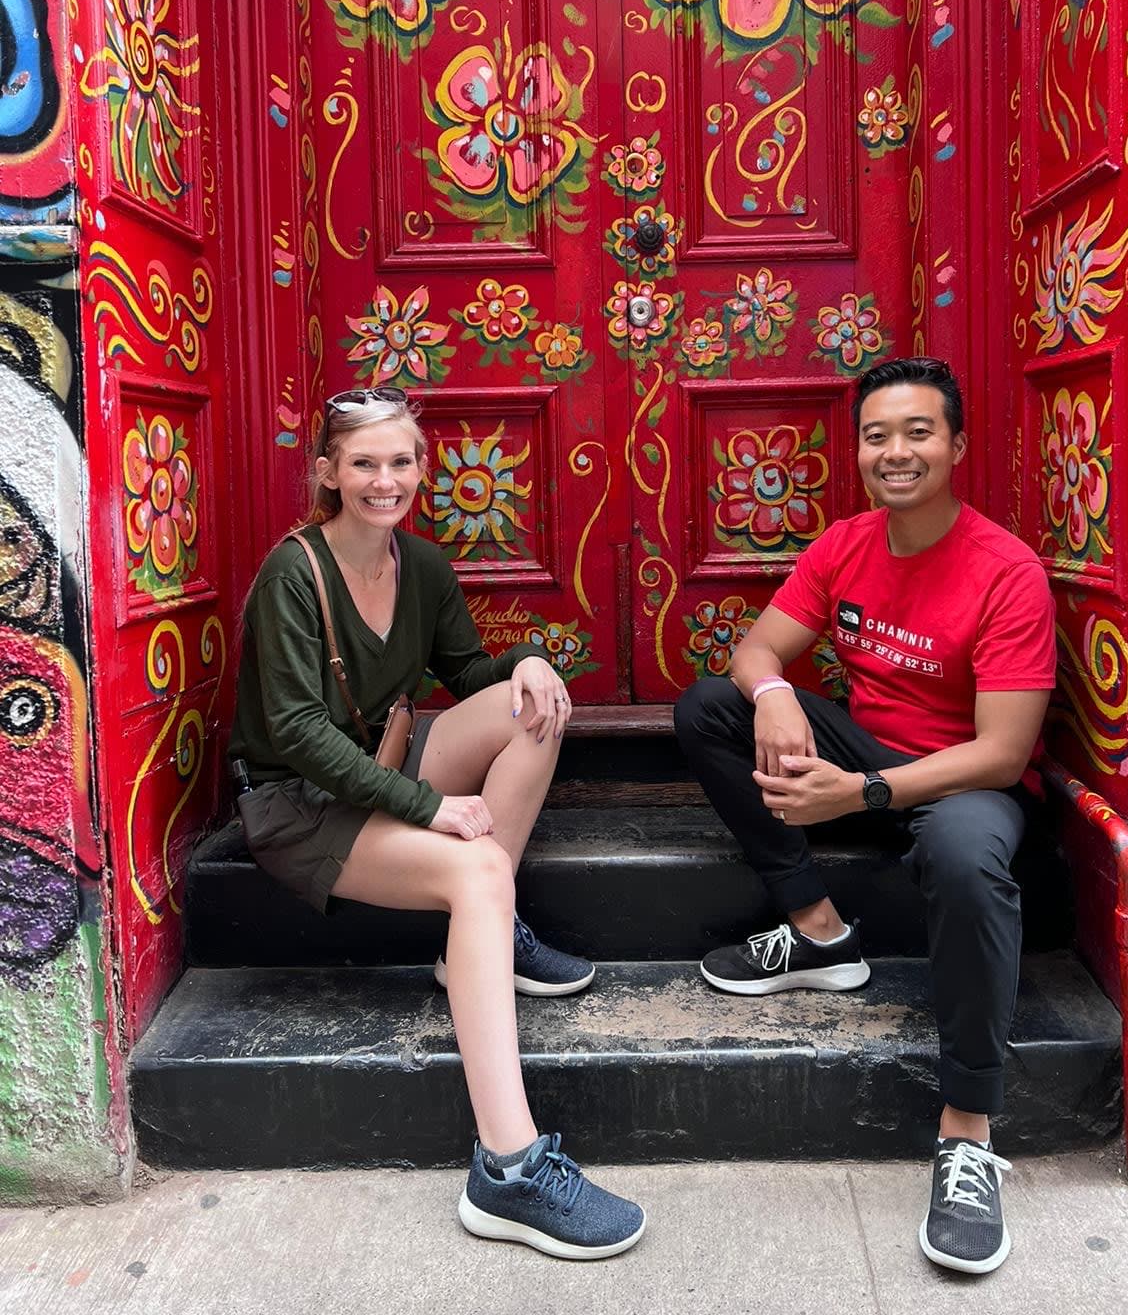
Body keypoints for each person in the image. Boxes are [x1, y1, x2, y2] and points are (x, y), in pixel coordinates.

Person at [229, 386, 645, 1260]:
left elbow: (466, 669)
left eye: (401, 462)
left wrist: (530, 659)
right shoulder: (291, 575)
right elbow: (299, 734)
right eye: (365, 463)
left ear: (422, 468)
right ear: (329, 475)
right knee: (480, 870)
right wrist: (429, 806)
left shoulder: (419, 565)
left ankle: (479, 946)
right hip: (301, 807)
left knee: (533, 709)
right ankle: (508, 1169)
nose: (387, 480)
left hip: (378, 768)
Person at [674, 357, 1056, 1276]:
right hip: (867, 757)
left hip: (967, 786)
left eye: (919, 432)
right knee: (709, 707)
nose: (897, 452)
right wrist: (771, 689)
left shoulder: (1006, 572)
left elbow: (1003, 752)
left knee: (966, 858)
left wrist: (862, 796)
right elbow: (759, 647)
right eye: (878, 436)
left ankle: (966, 1130)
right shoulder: (846, 542)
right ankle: (819, 932)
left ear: (956, 446)